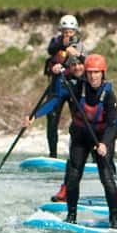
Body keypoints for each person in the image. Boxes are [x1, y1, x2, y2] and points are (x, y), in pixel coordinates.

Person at [25, 54, 117, 226]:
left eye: (97, 72)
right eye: (90, 72)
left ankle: (114, 219)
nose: (93, 76)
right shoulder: (76, 88)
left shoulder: (109, 94)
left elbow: (113, 125)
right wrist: (35, 115)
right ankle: (71, 216)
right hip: (80, 137)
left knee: (107, 178)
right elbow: (55, 98)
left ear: (103, 73)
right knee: (73, 176)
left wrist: (105, 143)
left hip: (101, 139)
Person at [42, 15, 86, 158]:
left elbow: (85, 63)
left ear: (75, 31)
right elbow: (51, 50)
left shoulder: (79, 46)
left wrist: (77, 53)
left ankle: (78, 154)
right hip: (56, 86)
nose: (68, 34)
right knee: (52, 119)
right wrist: (63, 43)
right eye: (65, 31)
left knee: (78, 120)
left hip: (73, 87)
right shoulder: (55, 43)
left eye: (71, 32)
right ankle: (52, 154)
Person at [44, 54, 86, 202]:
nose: (77, 68)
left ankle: (116, 191)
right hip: (79, 131)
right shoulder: (69, 85)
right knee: (72, 165)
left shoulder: (96, 82)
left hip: (97, 130)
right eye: (73, 65)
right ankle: (66, 190)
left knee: (105, 165)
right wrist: (33, 117)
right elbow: (55, 97)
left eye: (80, 64)